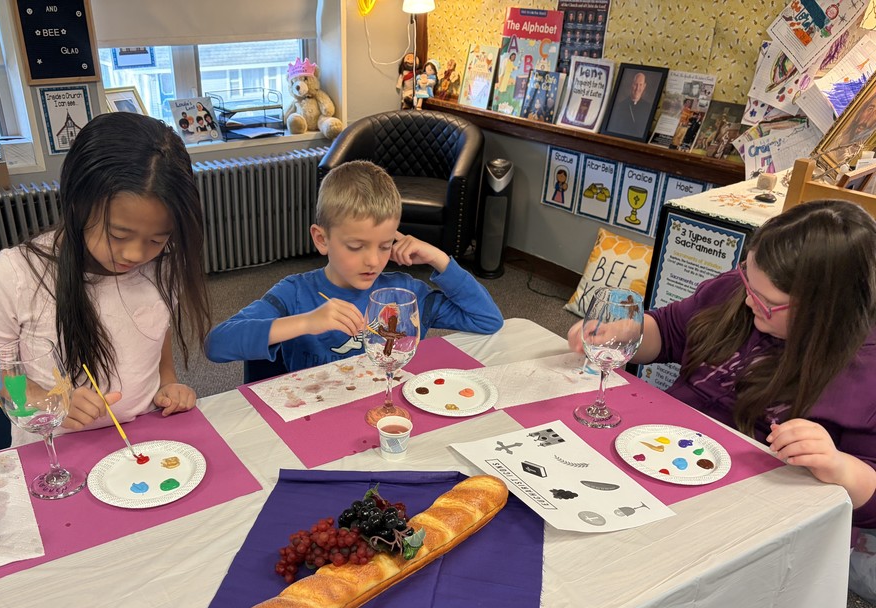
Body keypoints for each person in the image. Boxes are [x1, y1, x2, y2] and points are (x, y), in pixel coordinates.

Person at [567, 199, 876, 532]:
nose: (747, 301)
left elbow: (869, 502)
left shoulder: (863, 370)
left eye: (767, 303)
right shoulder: (742, 292)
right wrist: (627, 331)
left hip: (745, 508)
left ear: (825, 312)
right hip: (661, 453)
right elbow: (669, 334)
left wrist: (838, 466)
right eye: (747, 283)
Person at [0, 112, 212, 446]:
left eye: (157, 239)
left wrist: (167, 382)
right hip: (55, 449)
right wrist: (41, 399)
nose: (136, 254)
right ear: (79, 204)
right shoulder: (17, 275)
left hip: (142, 437)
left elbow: (157, 328)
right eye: (118, 234)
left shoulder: (162, 267)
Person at [205, 160, 504, 373]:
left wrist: (439, 258)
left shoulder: (407, 293)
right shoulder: (296, 294)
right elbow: (217, 344)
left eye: (385, 245)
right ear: (322, 240)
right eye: (356, 247)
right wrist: (306, 322)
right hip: (315, 417)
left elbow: (487, 320)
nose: (373, 260)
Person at [607, 71, 654, 138]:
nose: (638, 88)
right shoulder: (620, 106)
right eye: (636, 84)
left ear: (644, 86)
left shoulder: (648, 107)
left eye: (640, 85)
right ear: (632, 84)